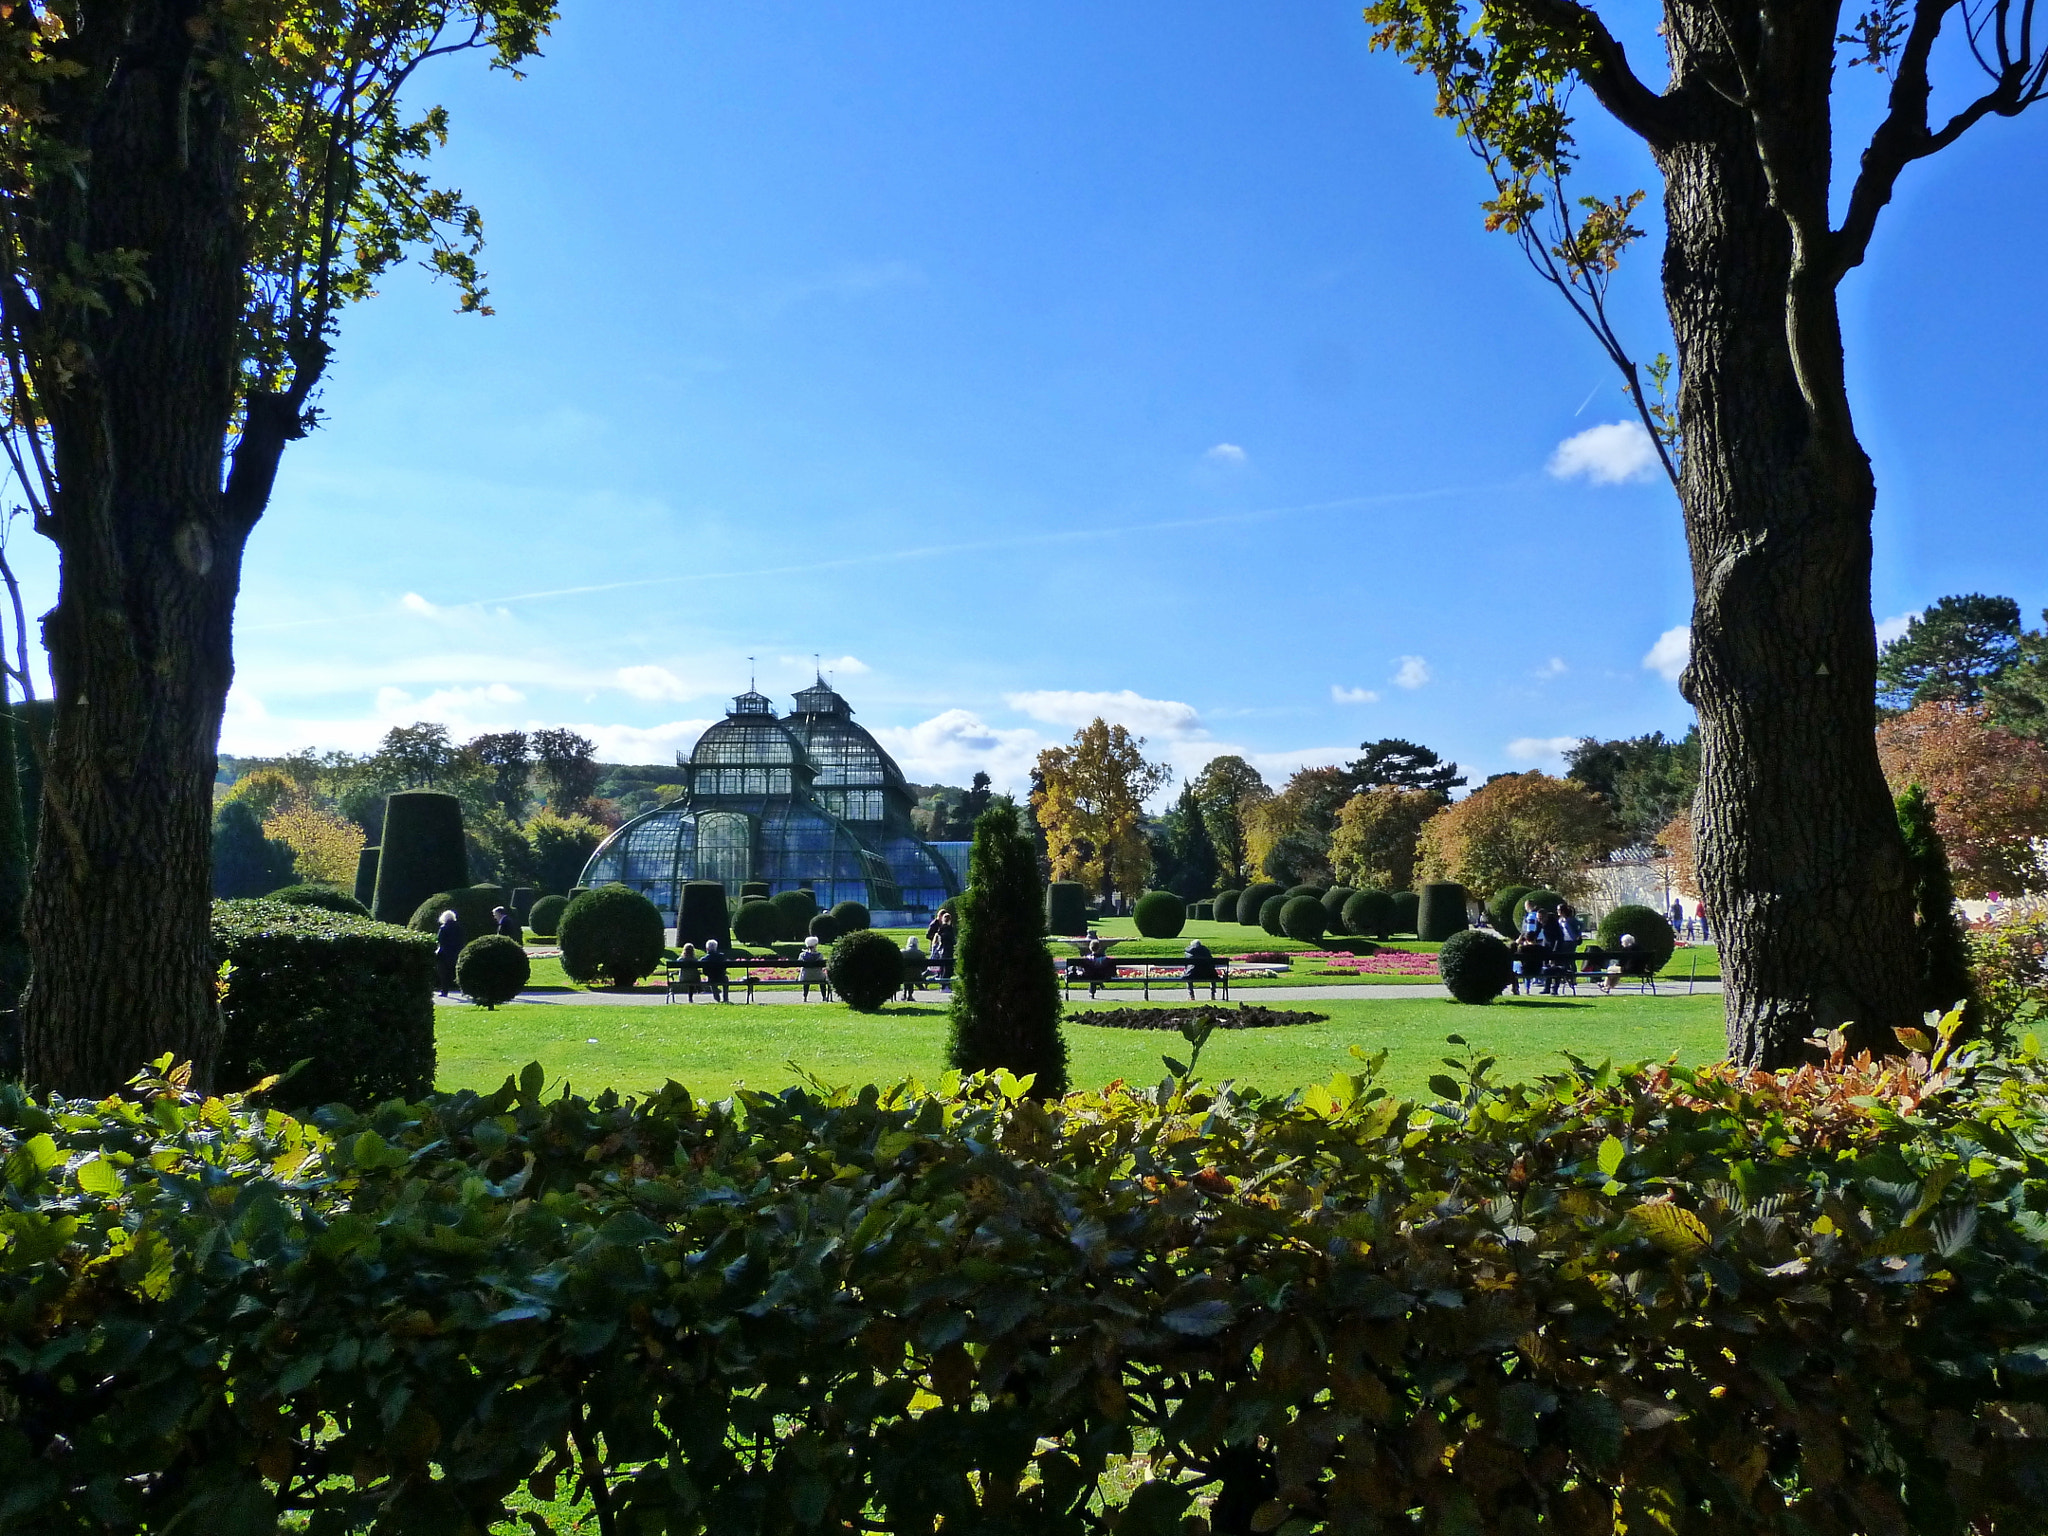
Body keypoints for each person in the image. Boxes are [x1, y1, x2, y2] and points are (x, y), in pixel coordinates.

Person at [434, 909, 464, 996]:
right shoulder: (459, 927)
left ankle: (444, 991)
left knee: (444, 973)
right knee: (456, 972)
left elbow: (440, 940)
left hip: (445, 953)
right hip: (457, 952)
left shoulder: (443, 928)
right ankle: (462, 990)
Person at [796, 937, 830, 1001]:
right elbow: (822, 967)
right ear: (815, 945)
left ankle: (805, 997)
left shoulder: (802, 955)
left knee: (807, 976)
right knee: (822, 979)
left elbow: (799, 965)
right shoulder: (820, 955)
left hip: (805, 977)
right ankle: (824, 997)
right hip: (818, 977)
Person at [928, 916, 955, 993]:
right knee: (947, 969)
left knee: (943, 969)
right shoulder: (949, 929)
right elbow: (952, 940)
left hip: (942, 952)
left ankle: (943, 985)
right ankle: (945, 986)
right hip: (948, 951)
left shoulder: (941, 929)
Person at [901, 936, 926, 1000]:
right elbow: (924, 967)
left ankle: (904, 994)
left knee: (907, 973)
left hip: (904, 976)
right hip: (917, 976)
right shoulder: (921, 954)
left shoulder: (902, 952)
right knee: (913, 973)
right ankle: (910, 995)